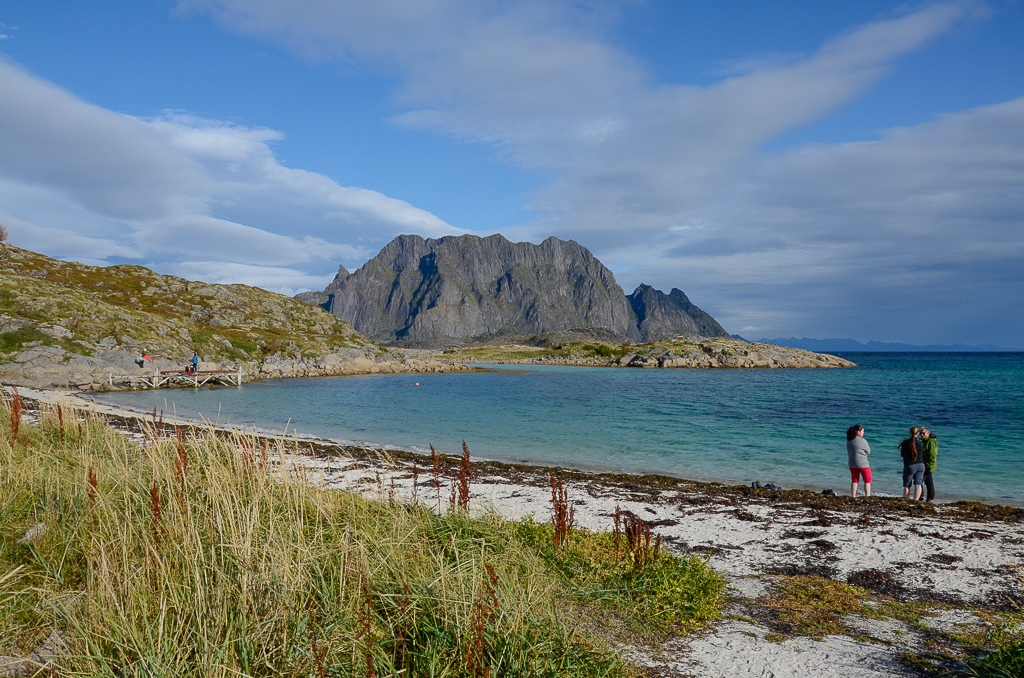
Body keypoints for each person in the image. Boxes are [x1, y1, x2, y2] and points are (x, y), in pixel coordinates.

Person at [900, 427, 925, 500]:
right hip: (921, 465)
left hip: (910, 465)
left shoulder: (905, 443)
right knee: (918, 485)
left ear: (910, 433)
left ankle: (906, 500)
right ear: (918, 433)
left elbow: (902, 454)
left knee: (907, 485)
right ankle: (916, 501)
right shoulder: (921, 444)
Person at [846, 425, 871, 498]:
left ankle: (853, 496)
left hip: (852, 463)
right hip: (862, 463)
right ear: (858, 431)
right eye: (863, 431)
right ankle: (867, 496)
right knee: (867, 480)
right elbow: (868, 451)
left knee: (854, 480)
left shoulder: (849, 441)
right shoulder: (862, 440)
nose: (863, 433)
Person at [920, 427, 938, 502]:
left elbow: (933, 454)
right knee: (928, 481)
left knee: (921, 480)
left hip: (928, 464)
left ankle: (923, 497)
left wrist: (930, 465)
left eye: (923, 433)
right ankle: (929, 498)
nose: (922, 435)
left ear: (928, 433)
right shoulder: (923, 441)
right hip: (923, 463)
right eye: (921, 433)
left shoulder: (931, 441)